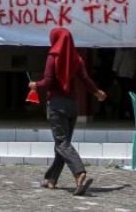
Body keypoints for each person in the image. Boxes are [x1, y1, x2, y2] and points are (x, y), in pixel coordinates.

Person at [29, 28, 107, 196]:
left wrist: (36, 85)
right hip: (72, 106)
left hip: (56, 105)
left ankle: (79, 173)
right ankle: (51, 179)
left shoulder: (53, 57)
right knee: (62, 145)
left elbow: (48, 81)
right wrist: (97, 92)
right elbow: (85, 80)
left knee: (62, 143)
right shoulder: (76, 59)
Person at [112, 48, 136, 119]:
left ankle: (125, 112)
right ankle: (125, 112)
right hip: (124, 74)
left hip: (128, 74)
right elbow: (116, 62)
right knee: (126, 94)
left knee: (126, 94)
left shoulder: (133, 49)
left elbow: (116, 63)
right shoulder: (122, 49)